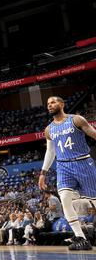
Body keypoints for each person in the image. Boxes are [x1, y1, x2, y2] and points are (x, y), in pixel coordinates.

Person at [38, 95, 96, 250]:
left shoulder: (76, 120)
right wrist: (43, 173)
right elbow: (50, 152)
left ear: (62, 104)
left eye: (53, 102)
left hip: (83, 162)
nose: (50, 105)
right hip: (63, 167)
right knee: (64, 199)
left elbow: (94, 134)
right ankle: (81, 239)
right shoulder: (49, 129)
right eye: (48, 103)